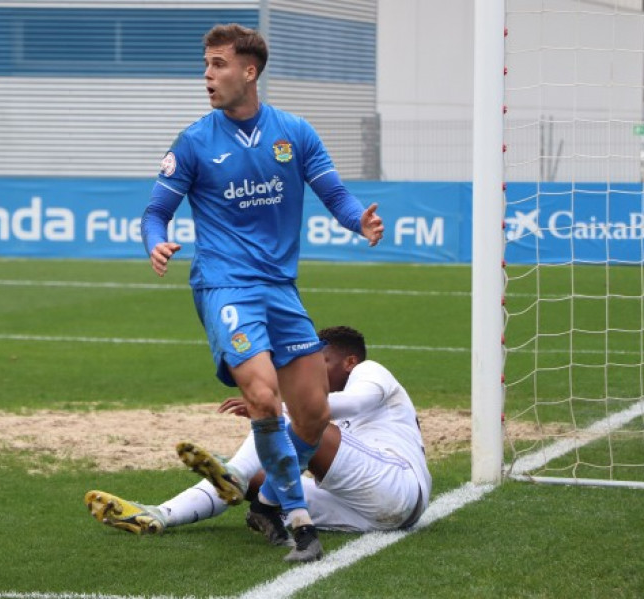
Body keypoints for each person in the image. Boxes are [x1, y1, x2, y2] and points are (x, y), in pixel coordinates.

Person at [137, 24, 384, 563]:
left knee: (314, 414)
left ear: (249, 72)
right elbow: (156, 212)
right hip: (224, 285)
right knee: (264, 397)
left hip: (279, 288)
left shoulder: (293, 132)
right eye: (205, 64)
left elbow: (332, 192)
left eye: (219, 64)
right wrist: (156, 243)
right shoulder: (195, 140)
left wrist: (356, 222)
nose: (207, 75)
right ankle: (301, 524)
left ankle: (268, 499)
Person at [85, 326, 431, 548]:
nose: (310, 372)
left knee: (296, 417)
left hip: (397, 484)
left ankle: (234, 472)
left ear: (349, 361)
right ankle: (160, 514)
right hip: (365, 515)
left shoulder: (370, 372)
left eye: (320, 362)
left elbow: (354, 404)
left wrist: (278, 402)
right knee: (256, 474)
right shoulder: (324, 400)